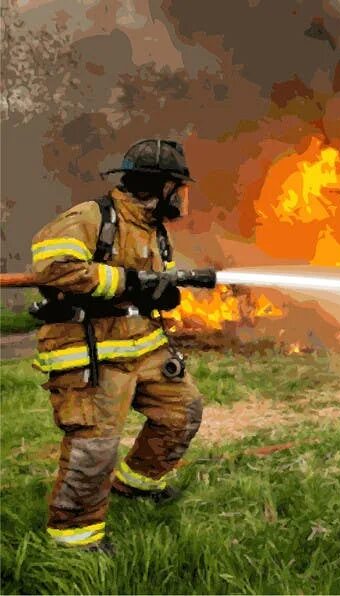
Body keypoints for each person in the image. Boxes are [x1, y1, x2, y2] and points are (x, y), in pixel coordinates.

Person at [30, 139, 204, 553]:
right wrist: (127, 282)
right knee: (95, 445)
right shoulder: (93, 217)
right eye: (177, 187)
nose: (181, 197)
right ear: (159, 185)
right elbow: (54, 267)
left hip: (142, 345)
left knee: (182, 411)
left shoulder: (153, 229)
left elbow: (151, 281)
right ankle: (74, 538)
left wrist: (162, 292)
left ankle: (138, 484)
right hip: (90, 348)